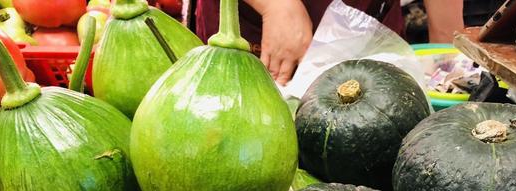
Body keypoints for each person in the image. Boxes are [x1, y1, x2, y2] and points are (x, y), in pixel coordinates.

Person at [195, 0, 464, 85]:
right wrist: (275, 6)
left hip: (368, 22)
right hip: (258, 24)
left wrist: (452, 55)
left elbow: (448, 35)